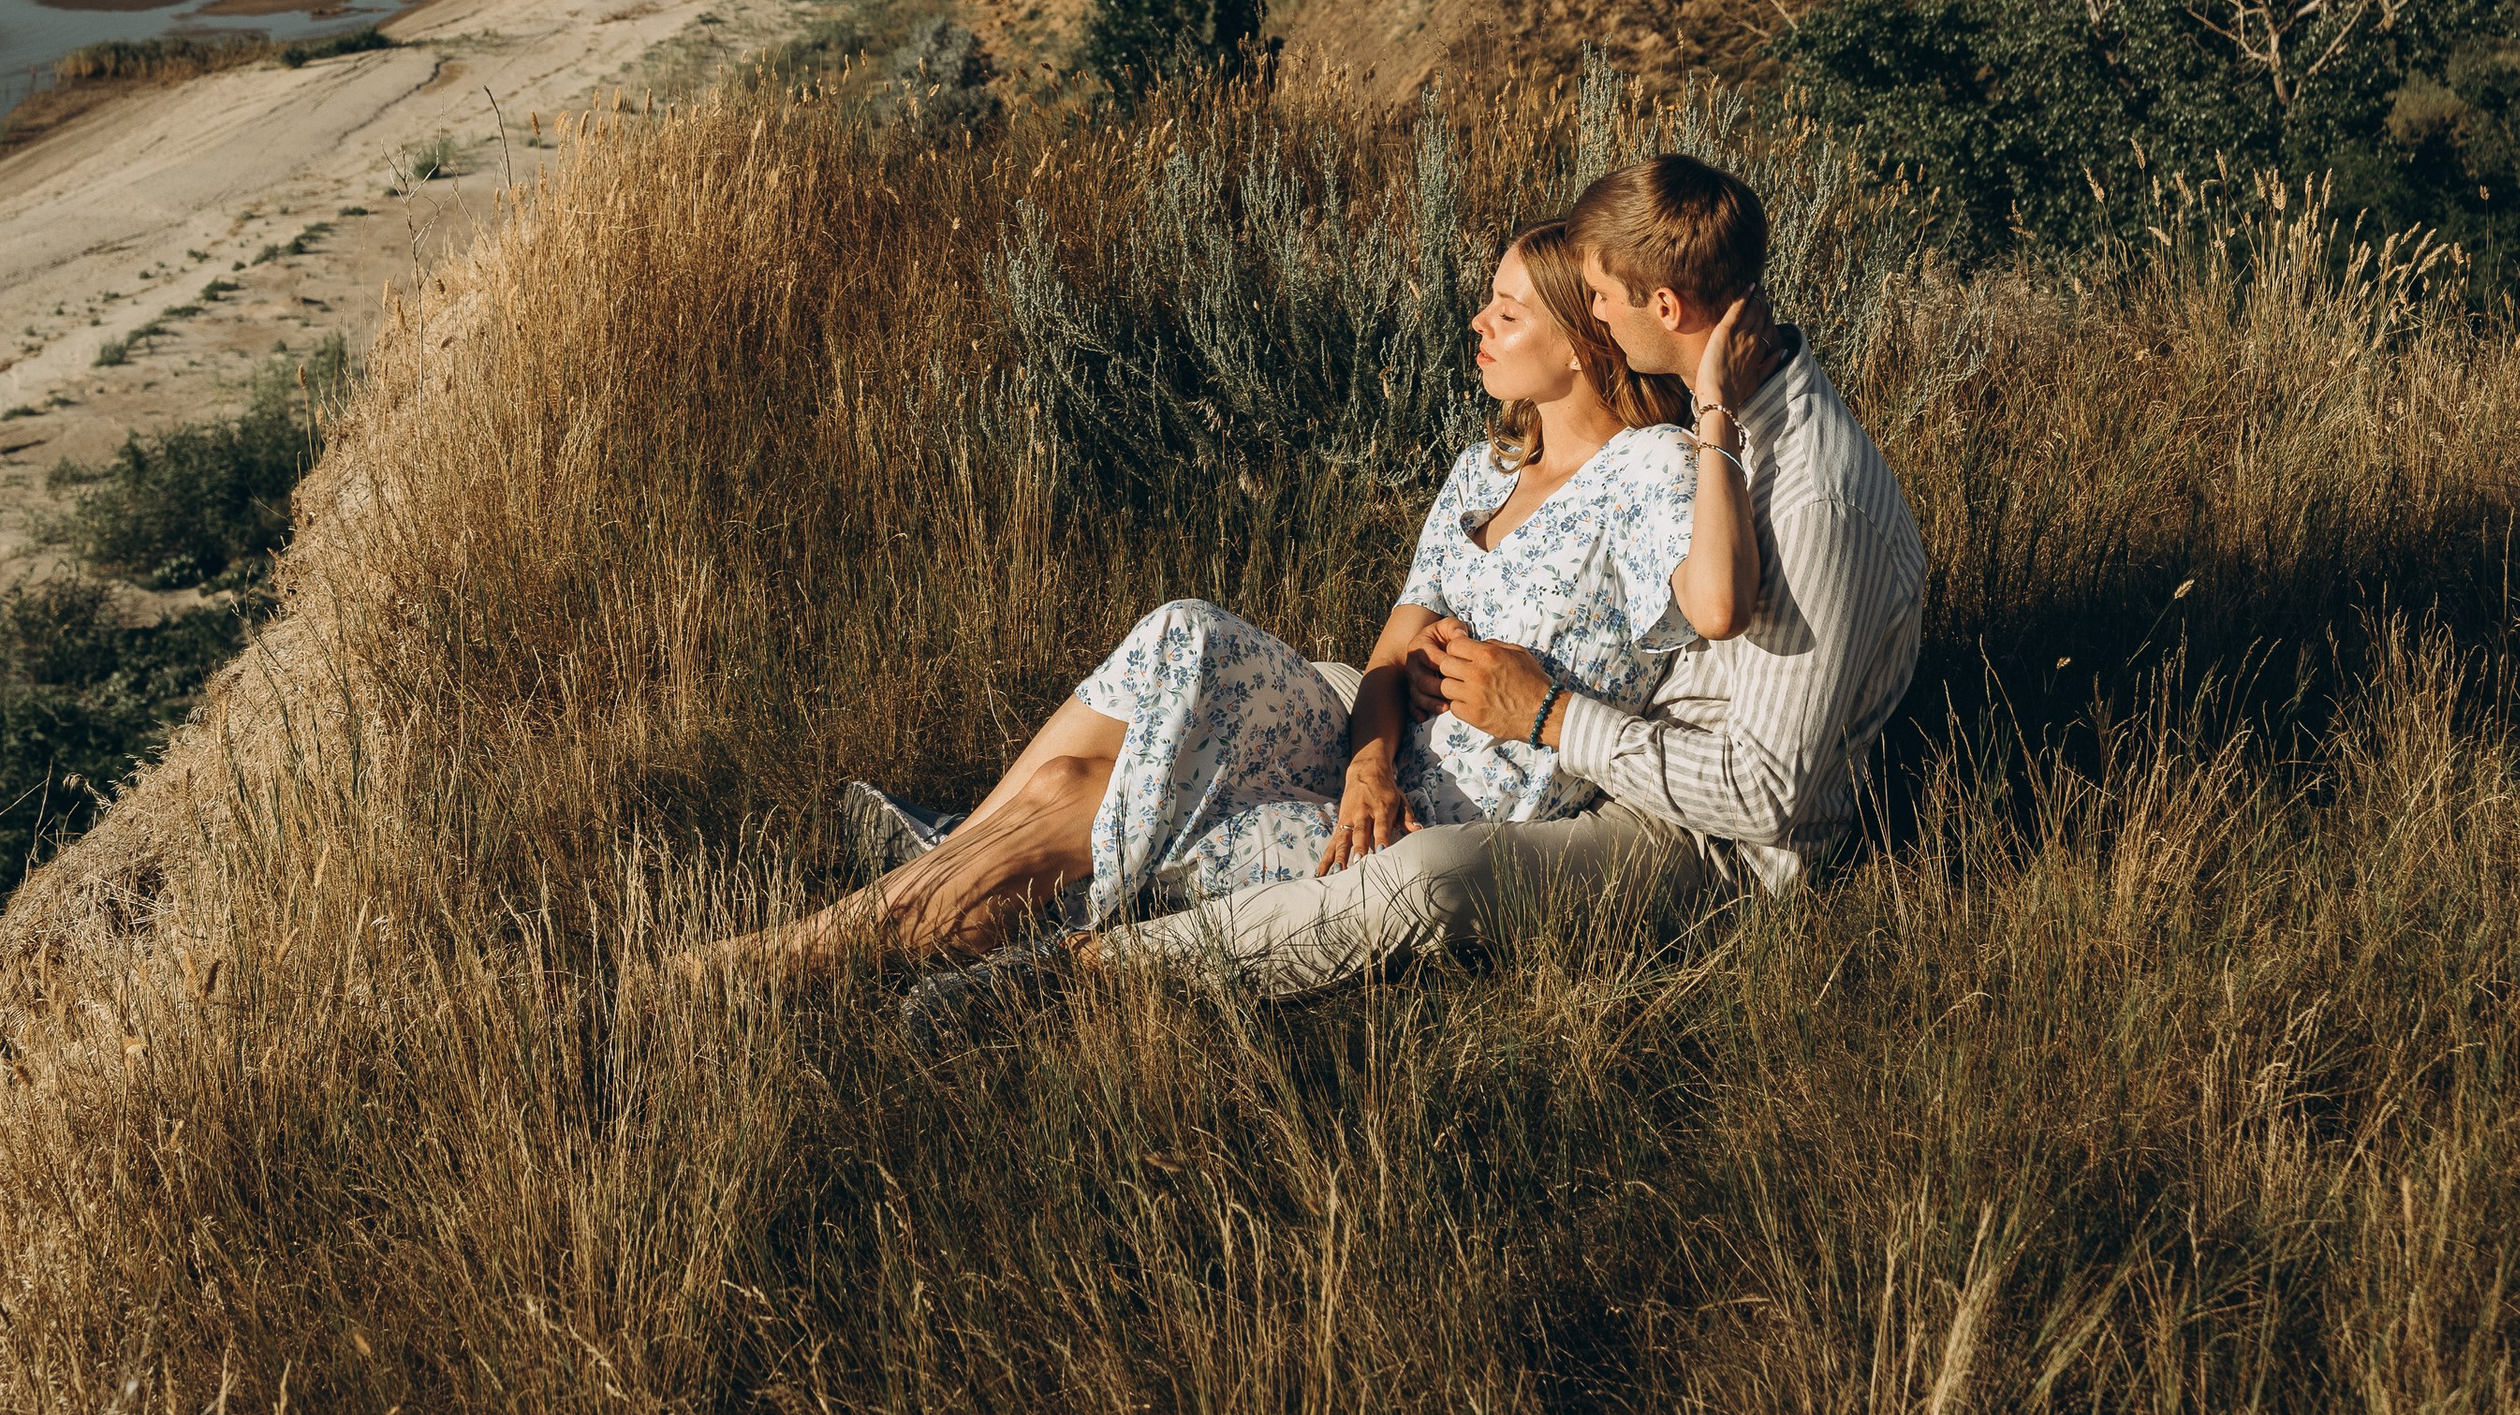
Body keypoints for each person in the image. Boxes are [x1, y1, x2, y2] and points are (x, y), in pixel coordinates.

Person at [697, 216, 1767, 986]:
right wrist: (1363, 759)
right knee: (1182, 629)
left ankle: (790, 960)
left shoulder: (1652, 470)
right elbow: (1395, 637)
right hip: (1367, 765)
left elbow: (1715, 602)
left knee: (1078, 789)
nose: (1478, 321)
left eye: (1508, 309)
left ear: (1586, 340)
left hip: (1434, 824)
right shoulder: (1485, 466)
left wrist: (1713, 407)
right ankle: (933, 889)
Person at [1073, 147, 1927, 1003]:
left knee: (1428, 877)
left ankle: (1108, 969)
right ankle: (1030, 851)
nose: (1590, 313)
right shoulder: (1716, 416)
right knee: (1235, 679)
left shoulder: (1813, 496)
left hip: (1694, 836)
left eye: (1596, 295)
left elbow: (1763, 795)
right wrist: (1443, 662)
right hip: (1583, 734)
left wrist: (1548, 711)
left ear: (1662, 306)